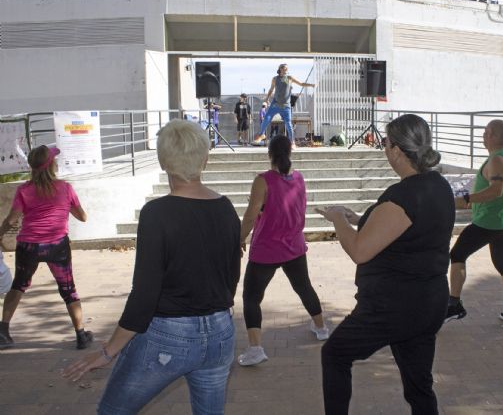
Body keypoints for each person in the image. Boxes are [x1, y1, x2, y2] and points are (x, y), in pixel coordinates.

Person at [62, 119, 241, 414]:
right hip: (221, 332)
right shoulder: (226, 208)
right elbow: (231, 276)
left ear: (162, 161)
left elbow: (145, 294)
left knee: (112, 411)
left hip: (170, 336)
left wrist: (109, 352)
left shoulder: (157, 213)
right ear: (205, 159)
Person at [317, 114, 455, 414]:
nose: (384, 149)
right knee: (419, 386)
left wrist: (339, 219)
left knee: (335, 354)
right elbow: (409, 229)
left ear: (395, 150)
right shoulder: (439, 185)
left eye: (385, 143)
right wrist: (358, 219)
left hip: (394, 306)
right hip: (428, 301)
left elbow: (359, 250)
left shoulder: (403, 195)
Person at [238, 135, 329, 366]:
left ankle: (255, 348)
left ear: (269, 154)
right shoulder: (299, 178)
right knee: (304, 288)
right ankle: (321, 328)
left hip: (266, 248)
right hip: (294, 247)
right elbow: (291, 209)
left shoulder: (262, 180)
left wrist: (239, 239)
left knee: (251, 297)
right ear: (290, 152)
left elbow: (250, 215)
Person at [0, 145, 92, 350]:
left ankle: (3, 332)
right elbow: (83, 217)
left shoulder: (24, 190)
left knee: (18, 285)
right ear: (52, 165)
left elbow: (12, 218)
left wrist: (0, 233)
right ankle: (80, 335)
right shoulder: (65, 188)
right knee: (68, 289)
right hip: (57, 246)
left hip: (28, 246)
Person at [445, 119, 503, 326]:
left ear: (492, 135)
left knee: (457, 255)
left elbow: (495, 191)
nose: (483, 136)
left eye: (485, 132)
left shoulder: (497, 160)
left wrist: (466, 200)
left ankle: (454, 305)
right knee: (502, 264)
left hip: (489, 222)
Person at [252, 64, 315, 147]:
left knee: (288, 124)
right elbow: (271, 89)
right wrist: (267, 98)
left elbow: (301, 84)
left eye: (287, 69)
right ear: (280, 69)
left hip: (286, 106)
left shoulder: (289, 78)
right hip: (275, 104)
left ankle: (292, 142)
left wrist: (311, 85)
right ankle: (261, 134)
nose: (286, 71)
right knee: (266, 118)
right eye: (284, 69)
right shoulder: (275, 79)